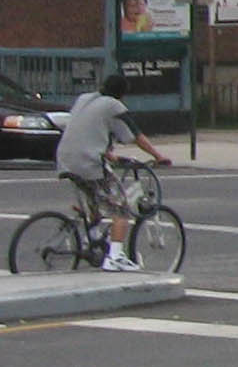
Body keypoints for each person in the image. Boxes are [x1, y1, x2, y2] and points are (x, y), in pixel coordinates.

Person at [55, 73, 170, 272]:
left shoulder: (84, 99)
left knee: (94, 199)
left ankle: (92, 241)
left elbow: (89, 131)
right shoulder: (113, 106)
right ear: (122, 93)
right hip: (88, 162)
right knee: (121, 209)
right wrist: (158, 156)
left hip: (66, 159)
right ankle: (115, 257)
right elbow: (136, 135)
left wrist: (110, 155)